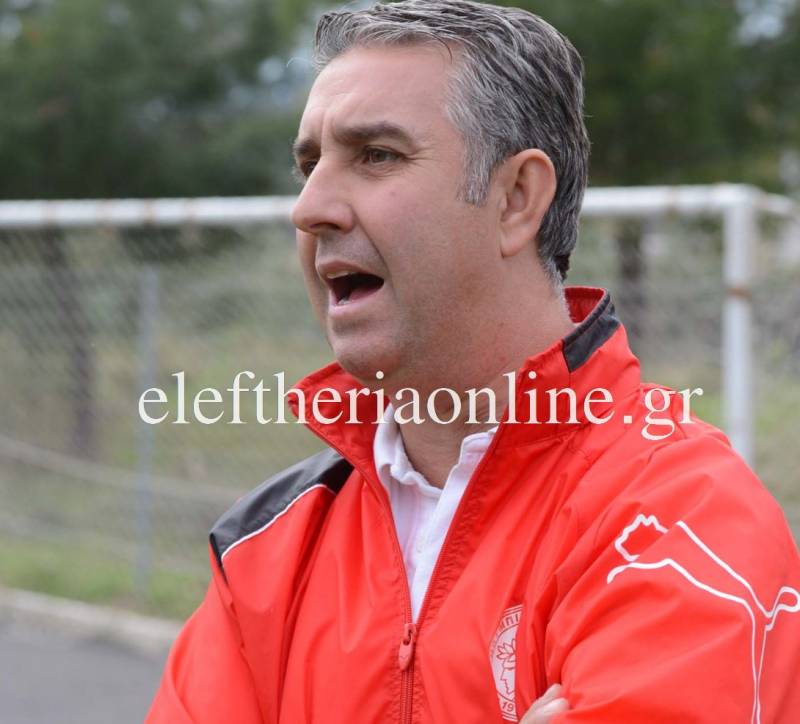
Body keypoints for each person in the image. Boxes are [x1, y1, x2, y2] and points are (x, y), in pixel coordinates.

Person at [147, 1, 800, 722]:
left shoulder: (679, 523)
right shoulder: (266, 548)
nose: (309, 208)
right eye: (309, 165)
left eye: (377, 155)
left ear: (516, 199)